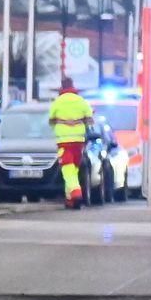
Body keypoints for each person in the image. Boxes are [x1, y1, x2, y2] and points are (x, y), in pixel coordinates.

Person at [47, 76, 95, 208]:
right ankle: (70, 200)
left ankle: (76, 193)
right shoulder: (81, 101)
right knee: (74, 169)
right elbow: (90, 120)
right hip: (78, 141)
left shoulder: (57, 102)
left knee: (67, 169)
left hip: (64, 141)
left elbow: (51, 120)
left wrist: (62, 122)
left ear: (61, 87)